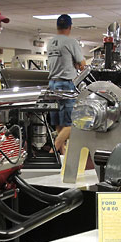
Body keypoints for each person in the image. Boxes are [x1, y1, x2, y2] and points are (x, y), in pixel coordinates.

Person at [47, 14, 86, 154]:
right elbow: (82, 65)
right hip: (66, 85)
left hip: (52, 85)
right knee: (71, 124)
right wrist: (77, 64)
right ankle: (53, 151)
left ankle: (63, 155)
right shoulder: (71, 42)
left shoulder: (50, 42)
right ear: (70, 27)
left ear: (57, 26)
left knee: (59, 123)